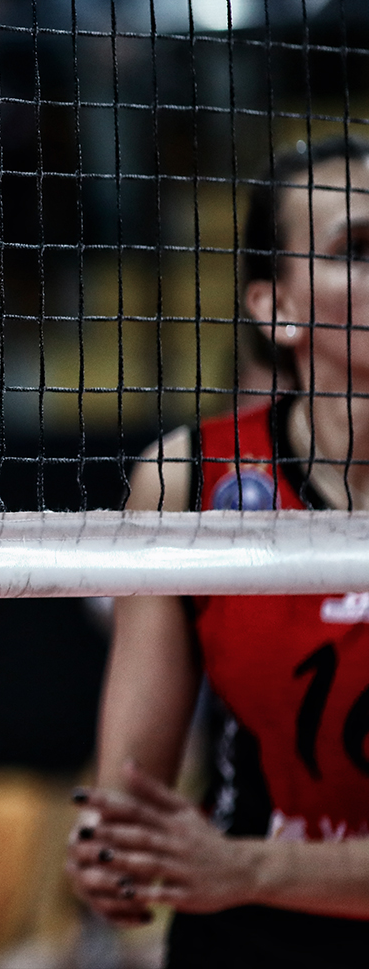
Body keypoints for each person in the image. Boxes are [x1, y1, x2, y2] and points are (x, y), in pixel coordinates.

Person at [66, 136, 369, 966]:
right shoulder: (186, 478)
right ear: (278, 310)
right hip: (249, 935)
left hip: (245, 877)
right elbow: (128, 800)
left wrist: (247, 867)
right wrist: (114, 856)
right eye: (357, 249)